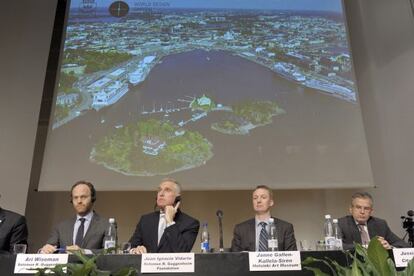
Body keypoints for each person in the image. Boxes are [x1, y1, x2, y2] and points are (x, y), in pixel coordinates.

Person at [129, 178, 200, 253]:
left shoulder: (190, 223)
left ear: (177, 198)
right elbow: (129, 246)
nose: (161, 194)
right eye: (159, 190)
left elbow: (182, 252)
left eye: (167, 190)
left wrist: (170, 222)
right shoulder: (145, 220)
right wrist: (135, 250)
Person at [39, 181, 109, 253]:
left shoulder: (107, 225)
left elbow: (109, 253)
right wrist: (44, 250)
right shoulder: (61, 227)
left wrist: (83, 252)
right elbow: (49, 249)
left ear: (92, 198)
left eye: (83, 197)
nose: (79, 201)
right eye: (75, 197)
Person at [231, 185, 297, 251]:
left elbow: (292, 256)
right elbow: (234, 257)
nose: (258, 200)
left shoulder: (285, 228)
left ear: (271, 202)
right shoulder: (240, 229)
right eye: (255, 198)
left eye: (263, 197)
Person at [338, 192, 410, 250]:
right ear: (351, 209)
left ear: (371, 211)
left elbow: (403, 244)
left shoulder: (380, 224)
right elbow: (336, 246)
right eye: (358, 207)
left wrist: (389, 247)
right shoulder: (341, 224)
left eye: (366, 208)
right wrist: (368, 247)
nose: (362, 212)